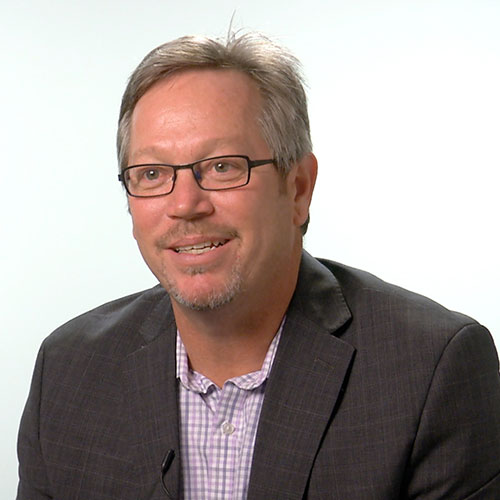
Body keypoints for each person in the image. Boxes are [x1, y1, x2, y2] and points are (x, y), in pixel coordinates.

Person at [17, 31, 500, 500]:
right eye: (152, 174)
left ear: (299, 188)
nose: (185, 205)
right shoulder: (69, 370)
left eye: (223, 166)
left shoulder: (431, 370)